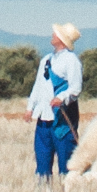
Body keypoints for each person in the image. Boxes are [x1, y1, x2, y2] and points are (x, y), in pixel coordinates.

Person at [28, 23, 84, 178]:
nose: (53, 35)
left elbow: (76, 88)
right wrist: (30, 107)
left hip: (62, 121)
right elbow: (38, 86)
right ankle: (44, 189)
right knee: (42, 161)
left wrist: (62, 98)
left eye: (56, 34)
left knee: (66, 162)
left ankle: (68, 188)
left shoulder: (71, 60)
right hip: (43, 119)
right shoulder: (46, 59)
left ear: (62, 39)